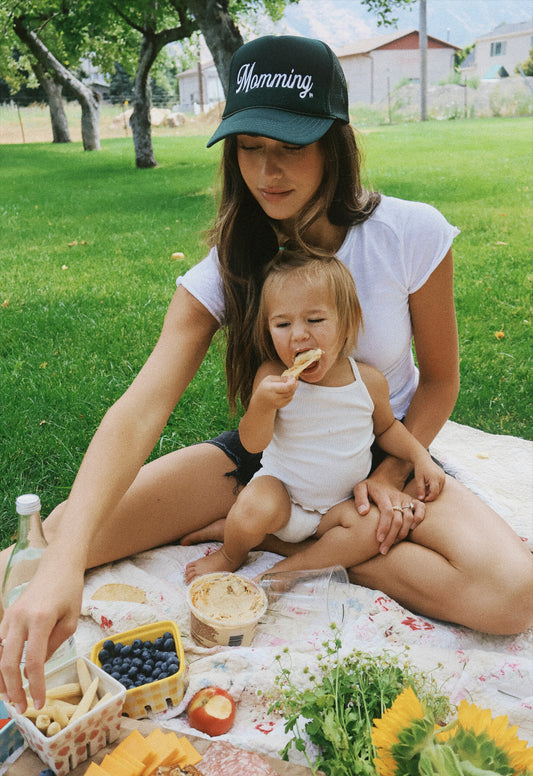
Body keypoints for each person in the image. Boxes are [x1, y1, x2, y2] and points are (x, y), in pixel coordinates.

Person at [1, 34, 531, 715]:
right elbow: (140, 408)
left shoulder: (412, 233)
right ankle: (284, 524)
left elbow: (439, 384)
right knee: (60, 536)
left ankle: (281, 539)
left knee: (511, 594)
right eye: (249, 146)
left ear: (334, 142)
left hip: (376, 453)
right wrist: (65, 565)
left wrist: (383, 479)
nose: (266, 171)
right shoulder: (229, 263)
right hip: (269, 460)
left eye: (289, 147)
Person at [185, 252, 445, 583]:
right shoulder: (272, 376)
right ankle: (230, 553)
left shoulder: (367, 381)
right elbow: (253, 442)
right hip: (282, 498)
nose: (298, 336)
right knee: (252, 507)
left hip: (339, 508)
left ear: (347, 322)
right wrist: (263, 405)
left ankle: (289, 569)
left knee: (372, 527)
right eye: (282, 324)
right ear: (268, 329)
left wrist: (420, 457)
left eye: (315, 321)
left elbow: (389, 430)